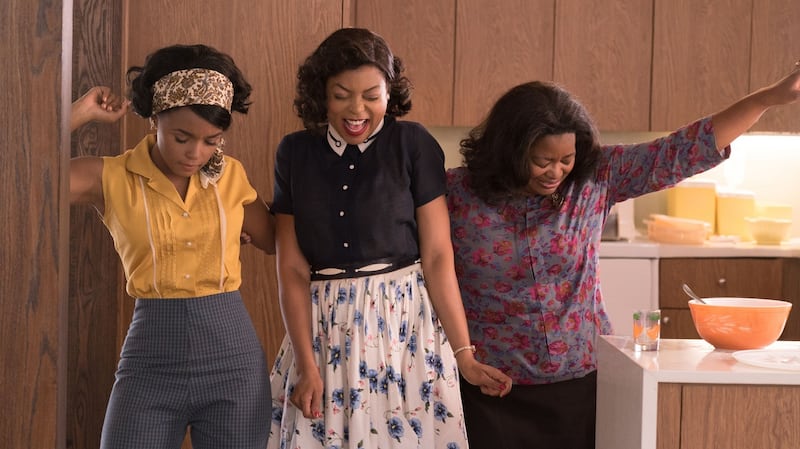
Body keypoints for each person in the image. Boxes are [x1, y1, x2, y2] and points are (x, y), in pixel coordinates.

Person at [445, 63, 800, 449]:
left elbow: (682, 150)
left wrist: (767, 98)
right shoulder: (456, 193)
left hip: (581, 380)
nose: (556, 172)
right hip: (491, 384)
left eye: (566, 159)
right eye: (542, 161)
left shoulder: (596, 177)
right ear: (509, 150)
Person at [267, 27, 512, 449]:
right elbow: (290, 267)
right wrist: (307, 365)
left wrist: (464, 354)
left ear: (389, 93)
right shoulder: (294, 152)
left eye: (371, 95)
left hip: (404, 331)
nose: (356, 109)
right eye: (341, 94)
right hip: (324, 333)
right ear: (320, 95)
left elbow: (436, 257)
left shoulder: (413, 144)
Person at [69, 44, 275, 449]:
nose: (195, 153)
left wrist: (231, 232)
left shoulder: (231, 176)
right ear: (155, 118)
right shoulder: (111, 177)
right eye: (182, 137)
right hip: (151, 363)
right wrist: (78, 112)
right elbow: (21, 171)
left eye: (211, 141)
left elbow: (275, 241)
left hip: (234, 365)